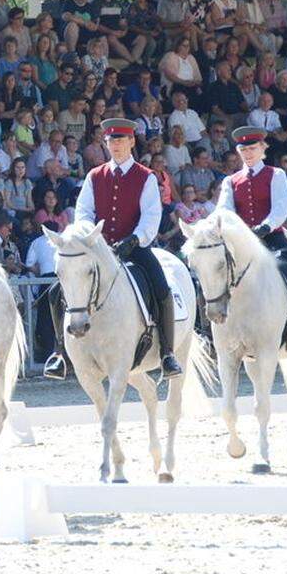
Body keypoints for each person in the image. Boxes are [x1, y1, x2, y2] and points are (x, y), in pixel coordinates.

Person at [44, 118, 184, 380]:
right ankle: (60, 353)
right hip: (98, 249)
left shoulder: (146, 177)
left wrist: (134, 239)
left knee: (161, 288)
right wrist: (91, 236)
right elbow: (84, 212)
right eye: (111, 141)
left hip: (134, 248)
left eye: (121, 140)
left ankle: (167, 353)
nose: (116, 145)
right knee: (55, 292)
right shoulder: (94, 176)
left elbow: (151, 217)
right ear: (106, 143)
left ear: (131, 141)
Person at [217, 126, 287, 350]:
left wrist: (264, 227)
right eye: (243, 149)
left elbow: (280, 207)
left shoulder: (276, 174)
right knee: (214, 270)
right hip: (242, 242)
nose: (248, 153)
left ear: (262, 149)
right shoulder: (230, 181)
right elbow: (224, 210)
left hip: (271, 237)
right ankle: (215, 327)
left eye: (252, 148)